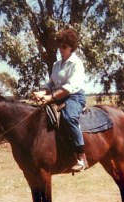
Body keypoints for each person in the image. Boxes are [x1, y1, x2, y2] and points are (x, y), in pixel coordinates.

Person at [32, 28, 88, 172]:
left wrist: (50, 97)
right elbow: (51, 84)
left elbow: (69, 87)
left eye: (64, 46)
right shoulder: (57, 65)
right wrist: (41, 92)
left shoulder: (77, 64)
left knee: (69, 117)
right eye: (60, 46)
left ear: (71, 47)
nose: (61, 49)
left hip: (74, 97)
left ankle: (81, 157)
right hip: (57, 96)